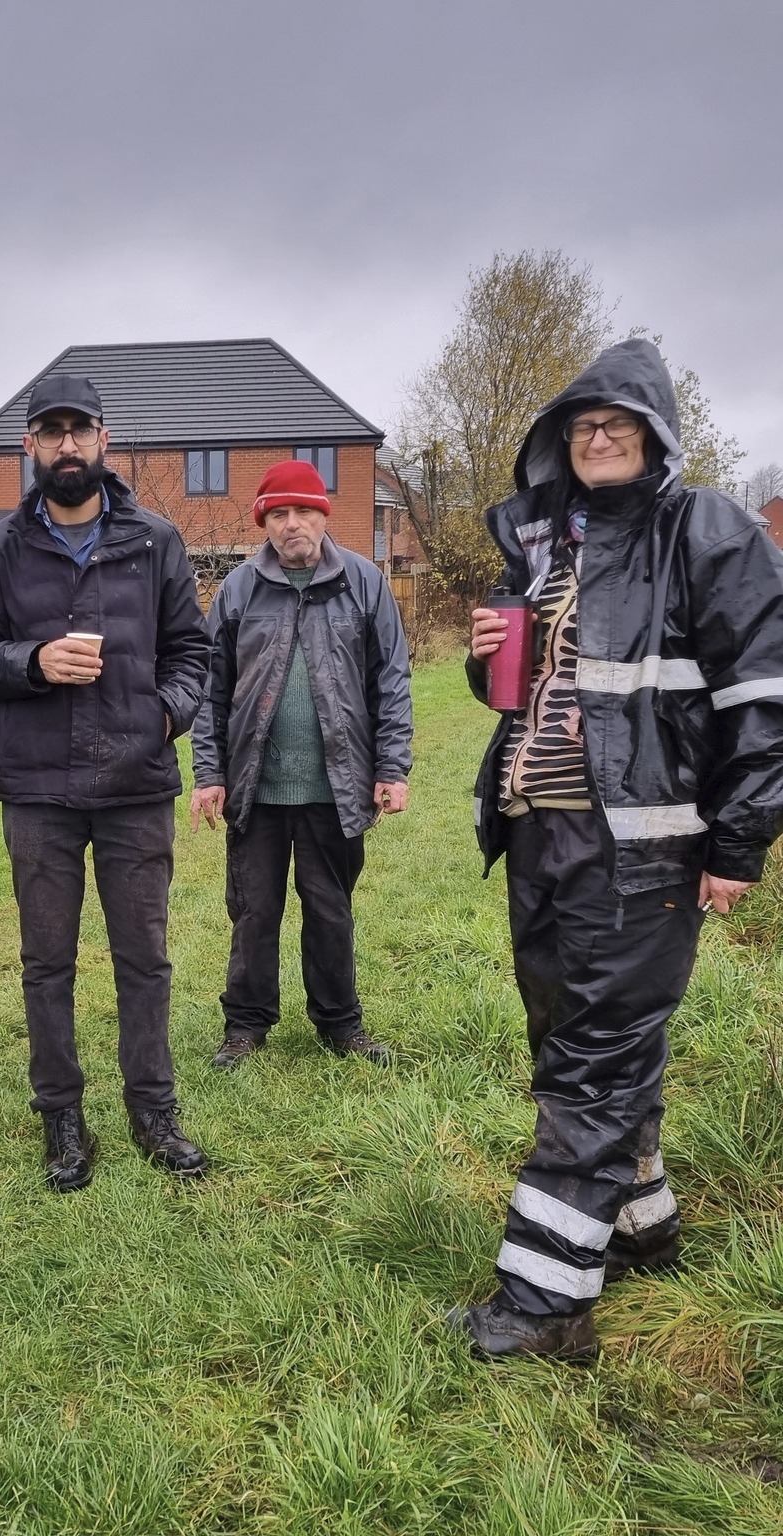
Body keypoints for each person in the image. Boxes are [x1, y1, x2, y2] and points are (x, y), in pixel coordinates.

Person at [451, 338, 783, 1360]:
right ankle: (641, 1222)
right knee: (574, 1045)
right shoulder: (548, 545)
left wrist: (738, 843)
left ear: (655, 436)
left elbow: (762, 702)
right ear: (560, 440)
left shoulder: (707, 530)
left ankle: (545, 1308)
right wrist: (484, 667)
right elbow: (535, 700)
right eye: (583, 423)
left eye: (619, 422)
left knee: (593, 1063)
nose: (599, 436)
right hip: (539, 833)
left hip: (644, 848)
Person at [0, 374, 211, 1192]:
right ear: (30, 445)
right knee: (46, 962)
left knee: (145, 958)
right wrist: (30, 662)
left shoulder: (155, 540)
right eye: (51, 431)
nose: (67, 445)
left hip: (136, 785)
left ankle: (153, 1108)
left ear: (104, 440)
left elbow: (193, 655)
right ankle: (61, 1115)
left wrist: (161, 717)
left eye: (80, 430)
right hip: (37, 789)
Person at [189, 459, 412, 1068]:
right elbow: (209, 690)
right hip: (254, 787)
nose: (293, 524)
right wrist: (209, 775)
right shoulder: (238, 589)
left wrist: (393, 768)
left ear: (324, 514)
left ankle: (340, 1024)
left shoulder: (364, 583)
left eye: (304, 511)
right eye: (279, 513)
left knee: (331, 911)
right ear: (263, 521)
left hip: (336, 786)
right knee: (253, 912)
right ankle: (246, 1025)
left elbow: (390, 680)